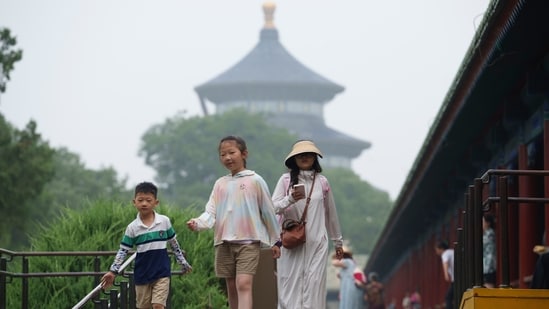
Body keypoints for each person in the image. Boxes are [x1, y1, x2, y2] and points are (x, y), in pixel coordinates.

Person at [186, 135, 281, 309]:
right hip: (224, 242)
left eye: (232, 152)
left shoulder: (255, 180)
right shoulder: (220, 184)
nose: (227, 158)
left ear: (244, 154)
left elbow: (268, 211)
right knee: (231, 286)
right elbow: (211, 211)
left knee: (243, 283)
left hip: (249, 241)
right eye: (223, 154)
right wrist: (198, 223)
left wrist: (276, 240)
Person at [271, 140, 344, 309]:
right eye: (300, 155)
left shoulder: (323, 182)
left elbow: (330, 214)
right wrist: (290, 199)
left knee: (315, 286)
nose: (305, 157)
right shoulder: (285, 181)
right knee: (289, 287)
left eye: (309, 154)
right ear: (294, 159)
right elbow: (272, 208)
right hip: (291, 245)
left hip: (317, 243)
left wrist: (337, 241)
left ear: (315, 158)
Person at [101, 182, 192, 309]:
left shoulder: (164, 222)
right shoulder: (132, 228)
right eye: (140, 200)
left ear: (156, 202)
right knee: (144, 306)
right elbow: (123, 250)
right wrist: (113, 271)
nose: (144, 203)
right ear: (134, 202)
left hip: (161, 272)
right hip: (142, 273)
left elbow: (174, 244)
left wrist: (182, 261)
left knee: (158, 305)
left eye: (148, 200)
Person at [435, 240, 454, 309]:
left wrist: (446, 275)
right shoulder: (452, 251)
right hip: (460, 277)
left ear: (441, 248)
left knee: (448, 297)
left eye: (437, 249)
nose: (436, 252)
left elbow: (445, 263)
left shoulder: (445, 254)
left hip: (455, 279)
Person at [482, 214, 496, 288]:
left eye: (483, 222)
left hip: (489, 265)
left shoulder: (490, 233)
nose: (482, 224)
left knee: (489, 285)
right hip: (486, 265)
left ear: (488, 223)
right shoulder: (486, 234)